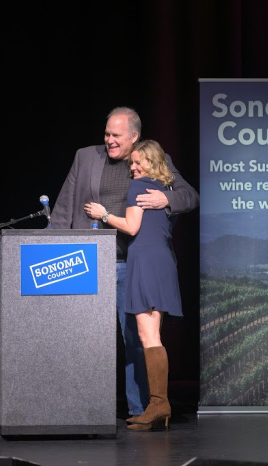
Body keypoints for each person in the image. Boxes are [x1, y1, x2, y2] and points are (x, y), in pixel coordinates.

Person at [49, 107, 199, 419]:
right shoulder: (85, 157)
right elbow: (65, 206)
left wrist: (166, 199)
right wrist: (49, 245)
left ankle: (139, 407)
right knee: (80, 338)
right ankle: (83, 409)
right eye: (106, 134)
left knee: (135, 340)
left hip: (132, 263)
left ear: (134, 137)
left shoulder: (153, 161)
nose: (109, 141)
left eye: (116, 136)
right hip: (88, 262)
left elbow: (190, 196)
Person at [85, 139, 182, 431]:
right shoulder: (164, 190)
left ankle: (158, 404)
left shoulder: (140, 187)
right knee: (150, 335)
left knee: (147, 336)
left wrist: (103, 214)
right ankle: (158, 404)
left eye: (141, 162)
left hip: (145, 261)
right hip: (160, 260)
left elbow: (132, 227)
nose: (135, 167)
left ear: (154, 162)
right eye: (132, 164)